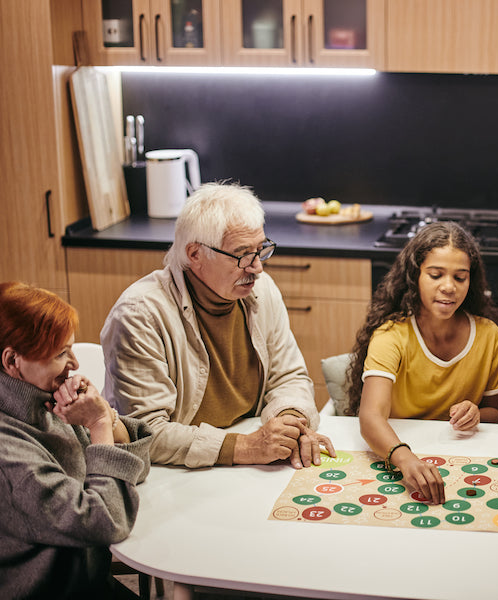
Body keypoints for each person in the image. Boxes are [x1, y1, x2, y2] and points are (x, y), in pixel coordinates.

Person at [101, 183, 334, 469]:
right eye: (241, 254)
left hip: (247, 462)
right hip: (174, 474)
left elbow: (289, 376)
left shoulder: (263, 290)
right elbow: (146, 432)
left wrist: (289, 420)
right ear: (195, 255)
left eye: (260, 250)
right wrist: (246, 446)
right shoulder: (139, 315)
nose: (257, 268)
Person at [0, 281, 152, 599]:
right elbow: (106, 521)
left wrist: (106, 419)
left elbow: (135, 470)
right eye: (60, 353)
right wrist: (97, 424)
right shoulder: (8, 455)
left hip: (89, 583)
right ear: (12, 361)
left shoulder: (46, 400)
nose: (75, 364)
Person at [347, 222, 498, 505]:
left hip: (459, 455)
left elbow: (496, 411)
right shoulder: (391, 335)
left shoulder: (489, 335)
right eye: (436, 275)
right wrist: (407, 460)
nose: (448, 287)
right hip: (398, 453)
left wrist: (476, 413)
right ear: (415, 277)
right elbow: (370, 418)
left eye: (460, 278)